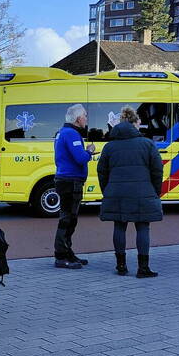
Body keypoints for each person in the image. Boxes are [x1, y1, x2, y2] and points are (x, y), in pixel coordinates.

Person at [97, 106, 163, 277]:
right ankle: (143, 268)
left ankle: (121, 266)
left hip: (116, 192)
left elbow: (101, 171)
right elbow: (157, 171)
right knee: (143, 227)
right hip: (143, 192)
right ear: (135, 123)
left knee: (119, 226)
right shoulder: (147, 144)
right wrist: (155, 191)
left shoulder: (110, 147)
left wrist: (108, 190)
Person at [53, 104, 97, 269]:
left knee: (69, 219)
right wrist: (89, 151)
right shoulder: (72, 133)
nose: (86, 118)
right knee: (68, 220)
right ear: (78, 118)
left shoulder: (62, 133)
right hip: (71, 181)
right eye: (85, 115)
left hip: (65, 179)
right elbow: (80, 158)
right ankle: (61, 256)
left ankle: (67, 252)